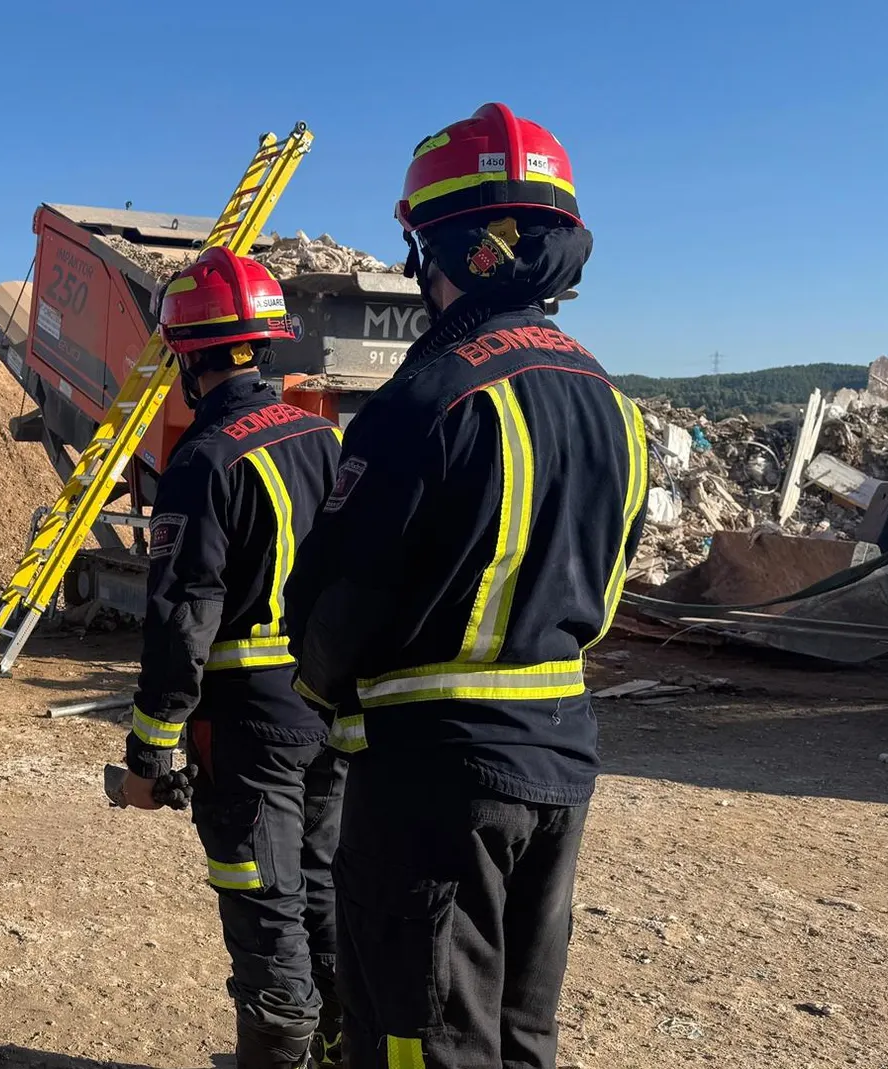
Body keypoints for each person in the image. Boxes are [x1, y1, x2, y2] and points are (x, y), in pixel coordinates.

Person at [282, 103, 649, 1069]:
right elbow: (603, 595)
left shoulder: (428, 395)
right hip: (562, 763)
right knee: (521, 1038)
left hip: (435, 783)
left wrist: (324, 696)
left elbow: (336, 606)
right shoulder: (616, 403)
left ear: (437, 246)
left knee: (420, 1039)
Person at [118, 247, 347, 1068]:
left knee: (264, 905)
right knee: (322, 887)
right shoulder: (327, 440)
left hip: (248, 726)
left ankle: (279, 1054)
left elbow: (183, 619)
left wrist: (151, 746)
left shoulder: (205, 460)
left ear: (189, 357)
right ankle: (333, 1046)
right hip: (328, 712)